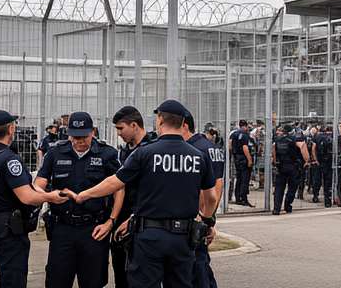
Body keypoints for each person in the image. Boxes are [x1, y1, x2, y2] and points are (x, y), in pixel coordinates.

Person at [72, 99, 218, 288]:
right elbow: (211, 197)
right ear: (183, 123)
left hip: (150, 236)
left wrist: (84, 195)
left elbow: (115, 182)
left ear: (160, 120)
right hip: (183, 237)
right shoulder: (198, 156)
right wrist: (207, 221)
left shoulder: (145, 153)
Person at [0, 110, 69, 288]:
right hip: (8, 231)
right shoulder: (10, 159)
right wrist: (50, 197)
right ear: (11, 129)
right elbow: (27, 197)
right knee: (12, 280)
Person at [35, 111, 123, 288]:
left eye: (84, 136)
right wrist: (48, 196)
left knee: (93, 282)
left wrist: (111, 222)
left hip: (94, 229)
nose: (79, 141)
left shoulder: (107, 154)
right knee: (56, 281)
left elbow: (119, 188)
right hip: (62, 228)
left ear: (93, 132)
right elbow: (38, 184)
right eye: (75, 137)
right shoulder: (55, 153)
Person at [110, 105, 156, 288]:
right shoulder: (123, 152)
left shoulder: (154, 149)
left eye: (121, 128)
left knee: (143, 277)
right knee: (120, 271)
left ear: (134, 125)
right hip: (121, 218)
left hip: (145, 220)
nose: (119, 133)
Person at [182, 110, 224, 288]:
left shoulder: (194, 150)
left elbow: (202, 188)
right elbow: (218, 184)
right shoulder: (210, 147)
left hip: (195, 218)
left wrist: (199, 216)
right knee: (201, 265)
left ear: (184, 126)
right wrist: (209, 218)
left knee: (196, 267)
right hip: (205, 215)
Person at [272, 123, 310, 215]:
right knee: (292, 188)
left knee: (279, 188)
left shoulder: (277, 140)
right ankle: (287, 206)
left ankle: (276, 209)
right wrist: (307, 160)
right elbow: (303, 146)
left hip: (281, 166)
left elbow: (273, 149)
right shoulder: (294, 139)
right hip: (293, 166)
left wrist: (275, 161)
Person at [229, 120, 254, 207]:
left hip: (237, 158)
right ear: (245, 126)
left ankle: (238, 198)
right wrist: (249, 160)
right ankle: (244, 199)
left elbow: (230, 145)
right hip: (244, 158)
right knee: (245, 179)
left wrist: (234, 154)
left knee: (239, 179)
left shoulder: (234, 134)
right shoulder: (245, 135)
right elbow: (245, 148)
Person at [313, 126, 335, 207]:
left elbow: (313, 148)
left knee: (317, 179)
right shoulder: (333, 137)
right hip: (329, 162)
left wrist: (315, 159)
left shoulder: (317, 137)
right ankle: (327, 200)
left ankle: (315, 196)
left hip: (319, 161)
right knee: (327, 181)